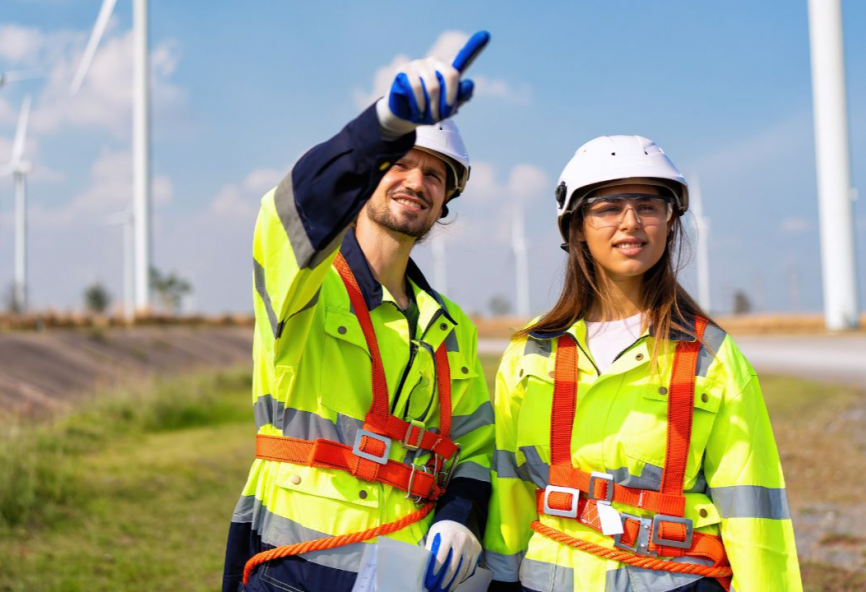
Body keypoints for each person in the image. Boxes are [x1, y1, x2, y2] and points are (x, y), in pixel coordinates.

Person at [222, 32, 495, 592]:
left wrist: (460, 517)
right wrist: (383, 125)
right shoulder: (306, 284)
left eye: (435, 174)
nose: (416, 181)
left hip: (407, 571)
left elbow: (476, 448)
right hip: (295, 566)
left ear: (446, 202)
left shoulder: (451, 328)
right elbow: (292, 212)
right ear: (370, 172)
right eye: (401, 162)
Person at [483, 135, 802, 591]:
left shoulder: (710, 357)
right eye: (608, 207)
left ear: (670, 223)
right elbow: (509, 491)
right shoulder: (531, 352)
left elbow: (754, 510)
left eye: (649, 206)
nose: (630, 222)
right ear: (575, 227)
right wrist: (501, 580)